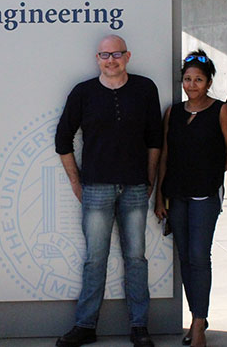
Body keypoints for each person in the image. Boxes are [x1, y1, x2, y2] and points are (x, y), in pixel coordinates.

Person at [54, 34, 162, 347]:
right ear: (97, 59)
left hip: (135, 187)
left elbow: (155, 138)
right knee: (94, 259)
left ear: (127, 56)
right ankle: (85, 326)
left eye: (116, 54)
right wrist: (76, 181)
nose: (110, 60)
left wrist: (150, 180)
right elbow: (63, 139)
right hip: (96, 188)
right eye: (104, 55)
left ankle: (139, 327)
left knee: (136, 258)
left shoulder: (145, 89)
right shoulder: (83, 92)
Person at [154, 50, 227, 347]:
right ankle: (196, 317)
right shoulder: (173, 112)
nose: (192, 85)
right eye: (188, 79)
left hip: (205, 195)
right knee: (185, 259)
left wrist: (211, 171)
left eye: (198, 80)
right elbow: (165, 153)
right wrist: (159, 196)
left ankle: (199, 323)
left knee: (200, 257)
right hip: (176, 195)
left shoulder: (222, 111)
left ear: (208, 82)